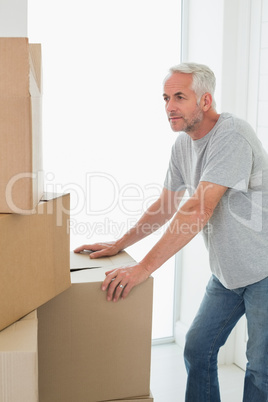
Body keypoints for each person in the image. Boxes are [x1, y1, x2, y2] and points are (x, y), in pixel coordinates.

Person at [74, 62, 268, 401]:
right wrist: (121, 242)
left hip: (264, 270)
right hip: (228, 273)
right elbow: (166, 206)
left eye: (179, 97)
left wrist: (143, 268)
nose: (169, 107)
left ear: (205, 101)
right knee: (197, 349)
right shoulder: (183, 144)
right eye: (165, 98)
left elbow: (198, 209)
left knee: (261, 369)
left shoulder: (232, 136)